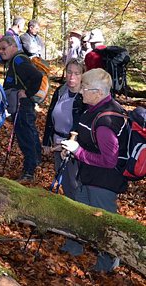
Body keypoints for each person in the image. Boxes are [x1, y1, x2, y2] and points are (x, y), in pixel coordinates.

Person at [61, 68, 129, 272]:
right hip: (89, 176)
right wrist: (72, 150)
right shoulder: (94, 110)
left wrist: (78, 151)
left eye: (84, 88)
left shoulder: (107, 120)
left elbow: (109, 160)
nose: (80, 92)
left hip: (104, 182)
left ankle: (107, 265)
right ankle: (74, 246)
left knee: (105, 225)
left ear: (98, 92)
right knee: (80, 214)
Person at [0, 36, 43, 180]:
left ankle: (29, 172)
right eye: (0, 49)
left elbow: (37, 76)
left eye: (4, 48)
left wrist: (27, 93)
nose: (1, 52)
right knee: (29, 133)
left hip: (22, 105)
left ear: (13, 46)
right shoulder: (14, 61)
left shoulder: (18, 60)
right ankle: (36, 163)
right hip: (20, 105)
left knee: (25, 137)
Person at [43, 59, 86, 199]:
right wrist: (46, 141)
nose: (72, 77)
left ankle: (79, 211)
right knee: (64, 182)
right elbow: (50, 116)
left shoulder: (85, 97)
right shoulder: (61, 91)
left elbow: (82, 126)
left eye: (77, 73)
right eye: (69, 72)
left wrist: (68, 145)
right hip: (57, 143)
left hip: (74, 148)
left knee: (75, 183)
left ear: (82, 76)